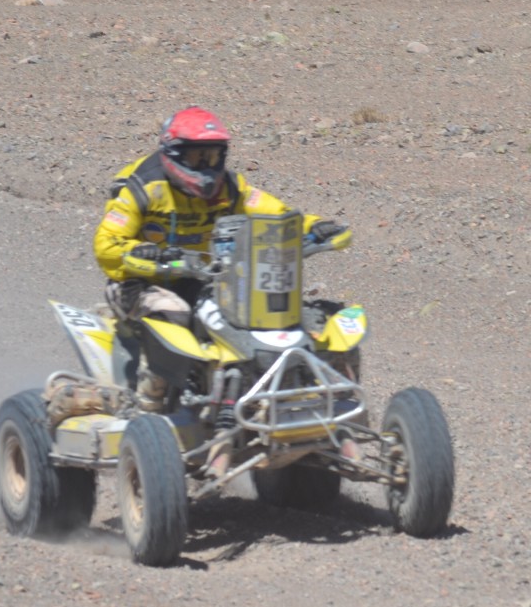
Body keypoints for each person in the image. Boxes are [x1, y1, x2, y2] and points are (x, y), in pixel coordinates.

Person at [93, 106, 344, 412]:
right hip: (138, 282)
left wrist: (312, 227)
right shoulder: (143, 188)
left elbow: (276, 214)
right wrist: (141, 254)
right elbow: (106, 245)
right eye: (198, 158)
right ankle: (148, 403)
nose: (207, 167)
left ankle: (283, 390)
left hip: (202, 277)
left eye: (212, 157)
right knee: (171, 311)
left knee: (267, 311)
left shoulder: (231, 188)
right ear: (174, 155)